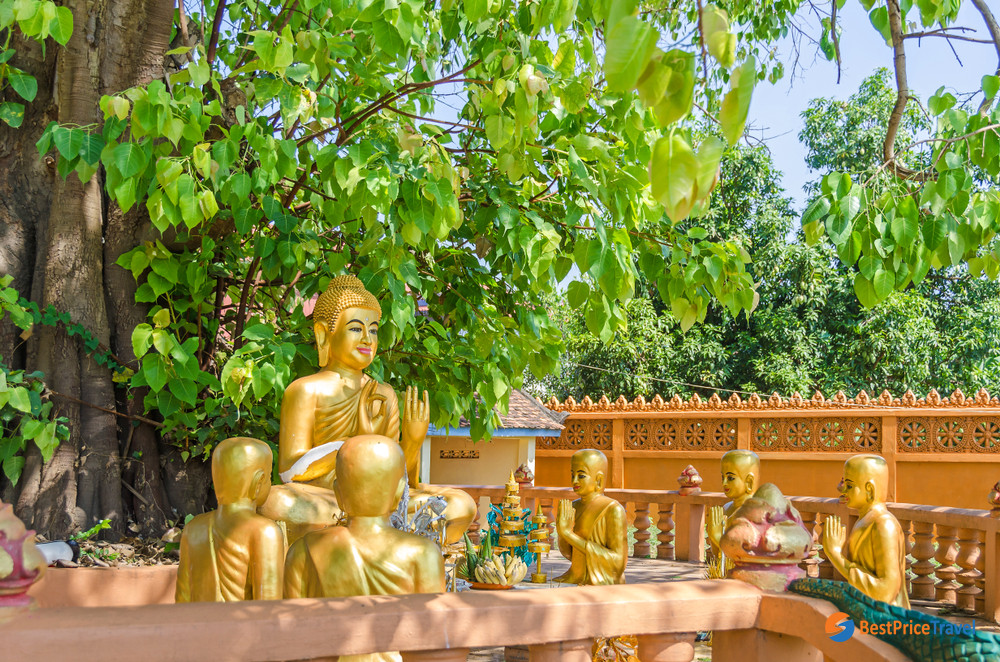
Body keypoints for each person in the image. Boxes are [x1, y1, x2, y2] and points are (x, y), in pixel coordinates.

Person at [259, 274, 475, 544]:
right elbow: (290, 471)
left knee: (460, 504)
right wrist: (358, 443)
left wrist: (412, 442)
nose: (367, 338)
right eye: (355, 328)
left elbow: (401, 484)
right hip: (326, 497)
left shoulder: (383, 394)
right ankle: (385, 538)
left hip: (380, 502)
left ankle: (366, 533)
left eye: (373, 329)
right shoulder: (305, 390)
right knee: (277, 502)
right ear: (324, 334)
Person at [284, 435, 445, 662]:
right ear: (399, 493)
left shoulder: (303, 550)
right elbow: (433, 638)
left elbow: (292, 638)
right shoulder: (424, 553)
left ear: (338, 493)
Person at [176, 437, 284, 602]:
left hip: (199, 625)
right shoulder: (264, 532)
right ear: (258, 482)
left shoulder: (193, 528)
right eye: (269, 477)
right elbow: (268, 605)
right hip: (242, 626)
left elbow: (182, 598)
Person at [822, 454, 910, 607]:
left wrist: (835, 554)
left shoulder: (884, 525)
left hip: (887, 620)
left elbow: (885, 592)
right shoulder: (865, 520)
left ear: (869, 489)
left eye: (849, 485)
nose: (840, 488)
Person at [552, 449, 627, 585]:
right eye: (572, 474)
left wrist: (568, 534)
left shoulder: (612, 509)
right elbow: (570, 554)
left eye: (581, 476)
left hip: (601, 582)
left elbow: (618, 563)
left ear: (598, 480)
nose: (574, 480)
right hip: (576, 577)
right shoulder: (574, 507)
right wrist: (562, 533)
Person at [706, 449, 760, 553]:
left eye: (730, 478)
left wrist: (717, 537)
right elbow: (717, 557)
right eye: (723, 477)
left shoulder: (756, 513)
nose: (724, 483)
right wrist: (713, 536)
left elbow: (748, 557)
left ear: (749, 481)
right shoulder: (726, 508)